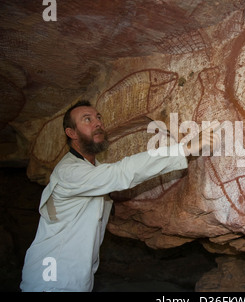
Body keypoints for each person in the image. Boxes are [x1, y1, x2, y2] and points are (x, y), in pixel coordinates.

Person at [20, 100, 219, 292]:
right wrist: (183, 149)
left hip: (75, 277)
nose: (97, 122)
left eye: (98, 117)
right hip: (51, 277)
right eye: (87, 119)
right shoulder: (68, 172)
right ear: (71, 133)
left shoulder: (92, 169)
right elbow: (120, 173)